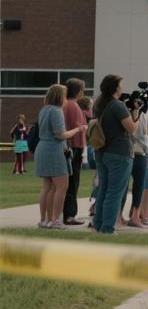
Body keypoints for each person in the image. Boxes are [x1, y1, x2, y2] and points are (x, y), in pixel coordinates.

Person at [35, 84, 87, 229]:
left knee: (47, 187)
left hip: (42, 148)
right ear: (60, 96)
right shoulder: (56, 111)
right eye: (64, 95)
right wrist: (78, 129)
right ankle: (55, 220)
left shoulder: (44, 110)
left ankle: (44, 220)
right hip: (54, 150)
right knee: (62, 186)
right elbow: (61, 134)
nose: (65, 99)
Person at [90, 75, 137, 234]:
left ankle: (98, 224)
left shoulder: (98, 104)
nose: (122, 87)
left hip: (101, 151)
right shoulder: (117, 105)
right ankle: (108, 227)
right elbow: (131, 128)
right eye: (121, 84)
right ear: (115, 87)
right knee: (115, 192)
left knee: (103, 189)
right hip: (119, 153)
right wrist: (137, 114)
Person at [60, 78, 88, 225]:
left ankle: (65, 213)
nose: (83, 92)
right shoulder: (74, 106)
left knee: (67, 182)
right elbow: (79, 127)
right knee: (73, 182)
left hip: (67, 146)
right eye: (82, 90)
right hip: (75, 147)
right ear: (77, 91)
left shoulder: (65, 104)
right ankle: (70, 214)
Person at [123, 99, 148, 228]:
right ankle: (121, 215)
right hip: (132, 153)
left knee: (138, 187)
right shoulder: (127, 112)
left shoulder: (146, 113)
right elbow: (141, 133)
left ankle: (134, 215)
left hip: (140, 153)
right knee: (124, 186)